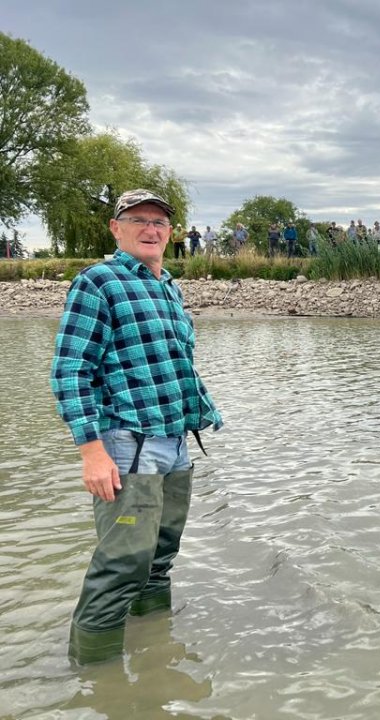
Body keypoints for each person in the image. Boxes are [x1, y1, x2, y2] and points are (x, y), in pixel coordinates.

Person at [50, 189, 223, 665]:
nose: (151, 229)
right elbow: (70, 370)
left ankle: (152, 655)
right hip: (127, 444)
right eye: (139, 220)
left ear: (170, 232)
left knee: (158, 560)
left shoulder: (168, 284)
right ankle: (93, 676)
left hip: (174, 441)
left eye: (160, 222)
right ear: (116, 228)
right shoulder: (97, 282)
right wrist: (91, 451)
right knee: (122, 562)